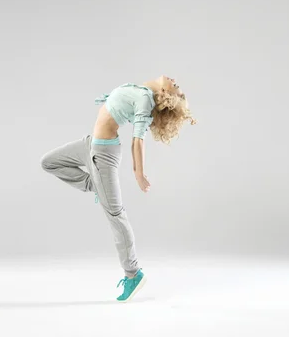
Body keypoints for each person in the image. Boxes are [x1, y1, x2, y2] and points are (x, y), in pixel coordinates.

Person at [40, 75, 196, 302]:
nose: (175, 81)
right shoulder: (141, 90)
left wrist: (139, 174)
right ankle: (97, 185)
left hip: (103, 154)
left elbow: (138, 140)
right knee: (48, 161)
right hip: (89, 144)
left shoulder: (145, 100)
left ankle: (133, 274)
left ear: (165, 94)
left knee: (116, 215)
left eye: (177, 87)